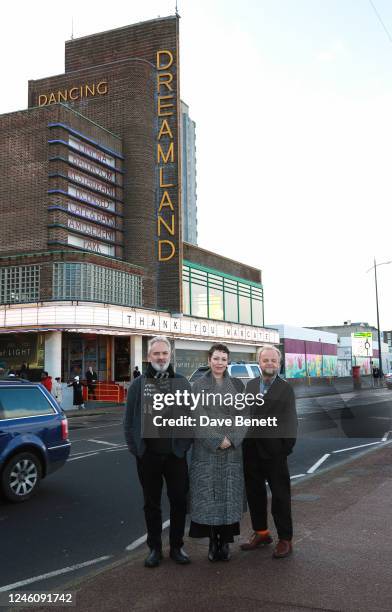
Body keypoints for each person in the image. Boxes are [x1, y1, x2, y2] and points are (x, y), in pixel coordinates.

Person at [124, 336, 192, 568]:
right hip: (149, 456)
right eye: (156, 354)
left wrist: (182, 447)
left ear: (170, 356)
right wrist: (138, 451)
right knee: (151, 504)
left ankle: (176, 546)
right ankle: (154, 548)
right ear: (148, 356)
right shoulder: (138, 385)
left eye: (164, 353)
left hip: (175, 456)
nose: (161, 357)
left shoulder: (182, 383)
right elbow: (128, 422)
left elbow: (190, 419)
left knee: (179, 501)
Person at [189, 343, 247, 562]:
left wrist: (231, 439)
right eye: (216, 358)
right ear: (209, 360)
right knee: (210, 499)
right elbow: (196, 417)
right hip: (207, 452)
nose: (219, 362)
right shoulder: (196, 387)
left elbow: (244, 417)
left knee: (229, 498)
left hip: (232, 451)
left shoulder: (238, 386)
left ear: (227, 361)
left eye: (223, 359)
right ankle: (214, 542)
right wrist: (216, 439)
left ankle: (226, 543)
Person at [241, 345, 297, 559]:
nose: (270, 364)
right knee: (255, 495)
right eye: (266, 360)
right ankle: (262, 533)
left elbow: (291, 421)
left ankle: (285, 539)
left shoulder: (285, 388)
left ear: (279, 363)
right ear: (259, 363)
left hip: (274, 453)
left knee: (281, 497)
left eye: (274, 360)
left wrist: (284, 448)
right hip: (251, 451)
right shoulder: (251, 385)